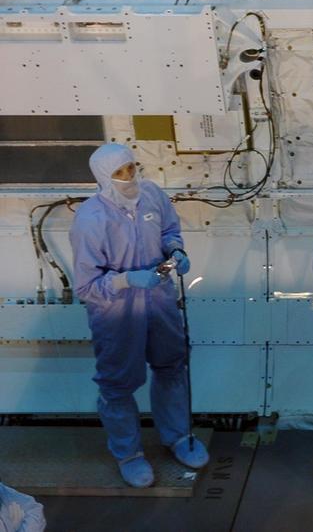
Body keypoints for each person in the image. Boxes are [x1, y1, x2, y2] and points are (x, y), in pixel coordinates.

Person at [70, 143, 207, 488]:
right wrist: (126, 280)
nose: (129, 177)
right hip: (116, 313)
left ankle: (178, 436)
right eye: (119, 173)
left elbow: (169, 230)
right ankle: (128, 454)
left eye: (131, 168)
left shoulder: (151, 195)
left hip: (159, 300)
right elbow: (86, 287)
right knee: (117, 384)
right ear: (104, 178)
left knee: (171, 366)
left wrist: (175, 249)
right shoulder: (90, 220)